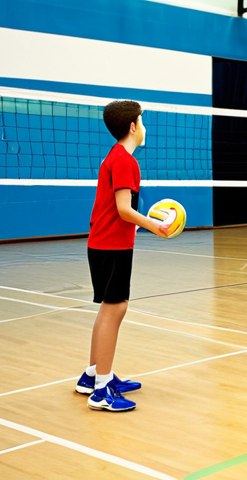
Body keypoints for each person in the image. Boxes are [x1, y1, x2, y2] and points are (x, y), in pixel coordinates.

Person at [75, 100, 169, 412]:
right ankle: (101, 391)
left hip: (103, 243)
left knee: (109, 308)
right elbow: (124, 210)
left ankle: (92, 375)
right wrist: (156, 226)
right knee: (115, 309)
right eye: (142, 121)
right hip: (111, 246)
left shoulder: (116, 157)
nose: (145, 127)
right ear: (132, 127)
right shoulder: (126, 161)